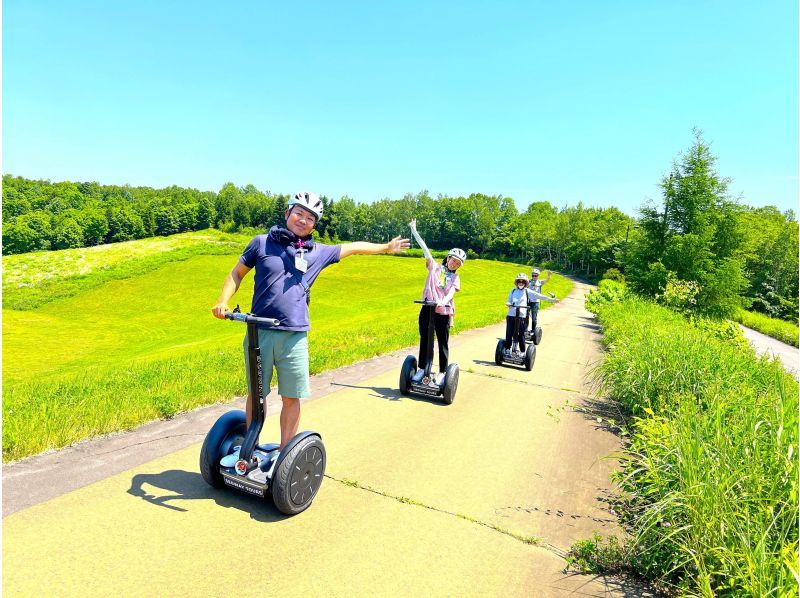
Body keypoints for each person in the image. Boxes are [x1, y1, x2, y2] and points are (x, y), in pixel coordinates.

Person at [212, 191, 410, 448]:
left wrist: (385, 248)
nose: (303, 220)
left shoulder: (318, 252)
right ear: (287, 213)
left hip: (294, 337)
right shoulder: (260, 243)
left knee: (292, 397)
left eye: (310, 218)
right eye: (299, 213)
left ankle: (285, 455)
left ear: (314, 225)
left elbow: (352, 247)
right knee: (256, 395)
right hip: (259, 332)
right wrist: (222, 301)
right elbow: (235, 274)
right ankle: (250, 449)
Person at [408, 218, 465, 382]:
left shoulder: (455, 277)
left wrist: (444, 301)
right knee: (425, 339)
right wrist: (414, 230)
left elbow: (452, 292)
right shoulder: (435, 267)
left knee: (442, 342)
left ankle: (442, 372)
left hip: (443, 311)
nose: (454, 264)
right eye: (453, 260)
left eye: (458, 263)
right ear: (447, 258)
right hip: (428, 308)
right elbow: (425, 249)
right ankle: (421, 369)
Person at [504, 273, 558, 355]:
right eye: (519, 281)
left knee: (521, 334)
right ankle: (507, 349)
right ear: (517, 282)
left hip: (521, 316)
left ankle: (522, 352)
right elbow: (509, 300)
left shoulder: (527, 291)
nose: (521, 283)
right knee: (509, 333)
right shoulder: (513, 291)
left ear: (525, 283)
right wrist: (508, 303)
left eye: (523, 281)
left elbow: (538, 296)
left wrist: (551, 299)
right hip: (511, 315)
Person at [526, 268, 552, 333]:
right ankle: (525, 330)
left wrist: (549, 275)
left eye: (536, 275)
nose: (534, 277)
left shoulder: (540, 282)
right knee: (526, 316)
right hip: (527, 301)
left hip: (535, 302)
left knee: (534, 318)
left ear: (538, 276)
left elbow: (547, 280)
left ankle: (533, 331)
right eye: (533, 275)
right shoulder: (528, 282)